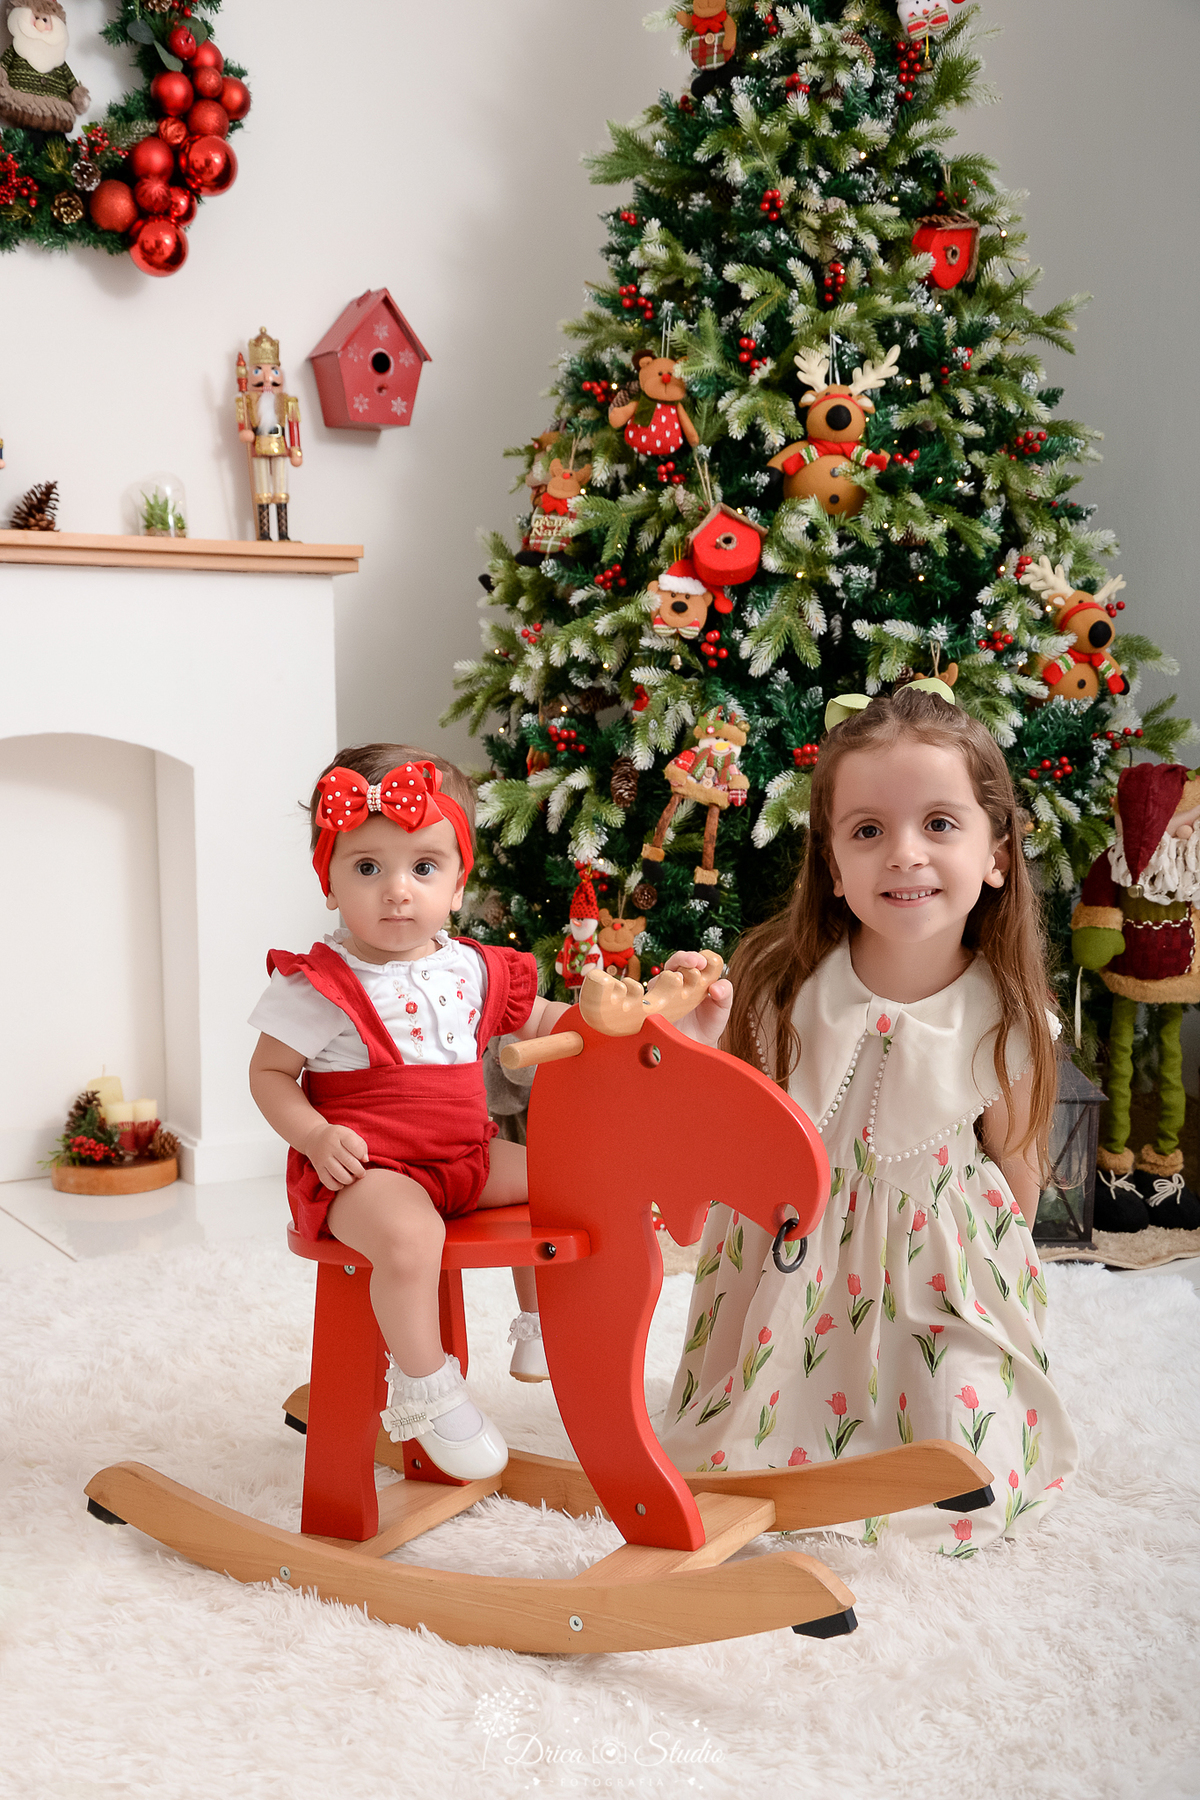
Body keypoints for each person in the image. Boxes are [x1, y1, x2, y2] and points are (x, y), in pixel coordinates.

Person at [661, 686, 1078, 1553]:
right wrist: (699, 1045)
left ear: (997, 854)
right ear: (832, 865)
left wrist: (998, 1297)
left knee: (970, 1455)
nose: (904, 855)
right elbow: (729, 1137)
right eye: (867, 832)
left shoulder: (1005, 1017)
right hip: (794, 1268)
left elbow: (1019, 1178)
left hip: (936, 1280)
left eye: (939, 824)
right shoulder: (783, 984)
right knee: (755, 1434)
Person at [248, 744, 571, 1482]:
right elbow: (269, 1074)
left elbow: (546, 1019)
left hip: (467, 1157)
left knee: (568, 1178)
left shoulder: (475, 967)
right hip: (369, 1170)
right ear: (327, 882)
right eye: (368, 867)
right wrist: (314, 1132)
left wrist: (611, 1016)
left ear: (459, 883)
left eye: (423, 868)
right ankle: (425, 1386)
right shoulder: (318, 982)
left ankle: (539, 1325)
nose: (397, 891)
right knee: (407, 1237)